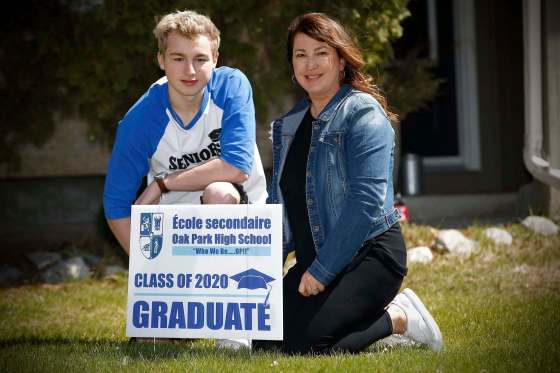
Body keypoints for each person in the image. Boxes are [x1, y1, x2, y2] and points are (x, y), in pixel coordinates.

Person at [253, 13, 442, 354]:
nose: (310, 64)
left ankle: (399, 317)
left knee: (310, 346)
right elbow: (279, 206)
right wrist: (263, 274)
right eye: (300, 54)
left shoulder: (362, 114)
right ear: (292, 66)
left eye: (321, 52)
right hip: (314, 260)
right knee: (264, 340)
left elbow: (366, 200)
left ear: (341, 60)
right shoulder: (289, 126)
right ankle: (351, 316)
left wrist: (323, 271)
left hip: (369, 255)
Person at [103, 10, 267, 349]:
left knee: (219, 191)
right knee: (153, 344)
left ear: (216, 59)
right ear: (160, 60)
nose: (189, 71)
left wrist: (162, 184)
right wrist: (152, 273)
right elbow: (116, 206)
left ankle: (231, 323)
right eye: (178, 58)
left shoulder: (232, 87)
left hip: (243, 227)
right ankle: (188, 309)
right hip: (179, 237)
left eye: (200, 59)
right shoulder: (141, 120)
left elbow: (236, 167)